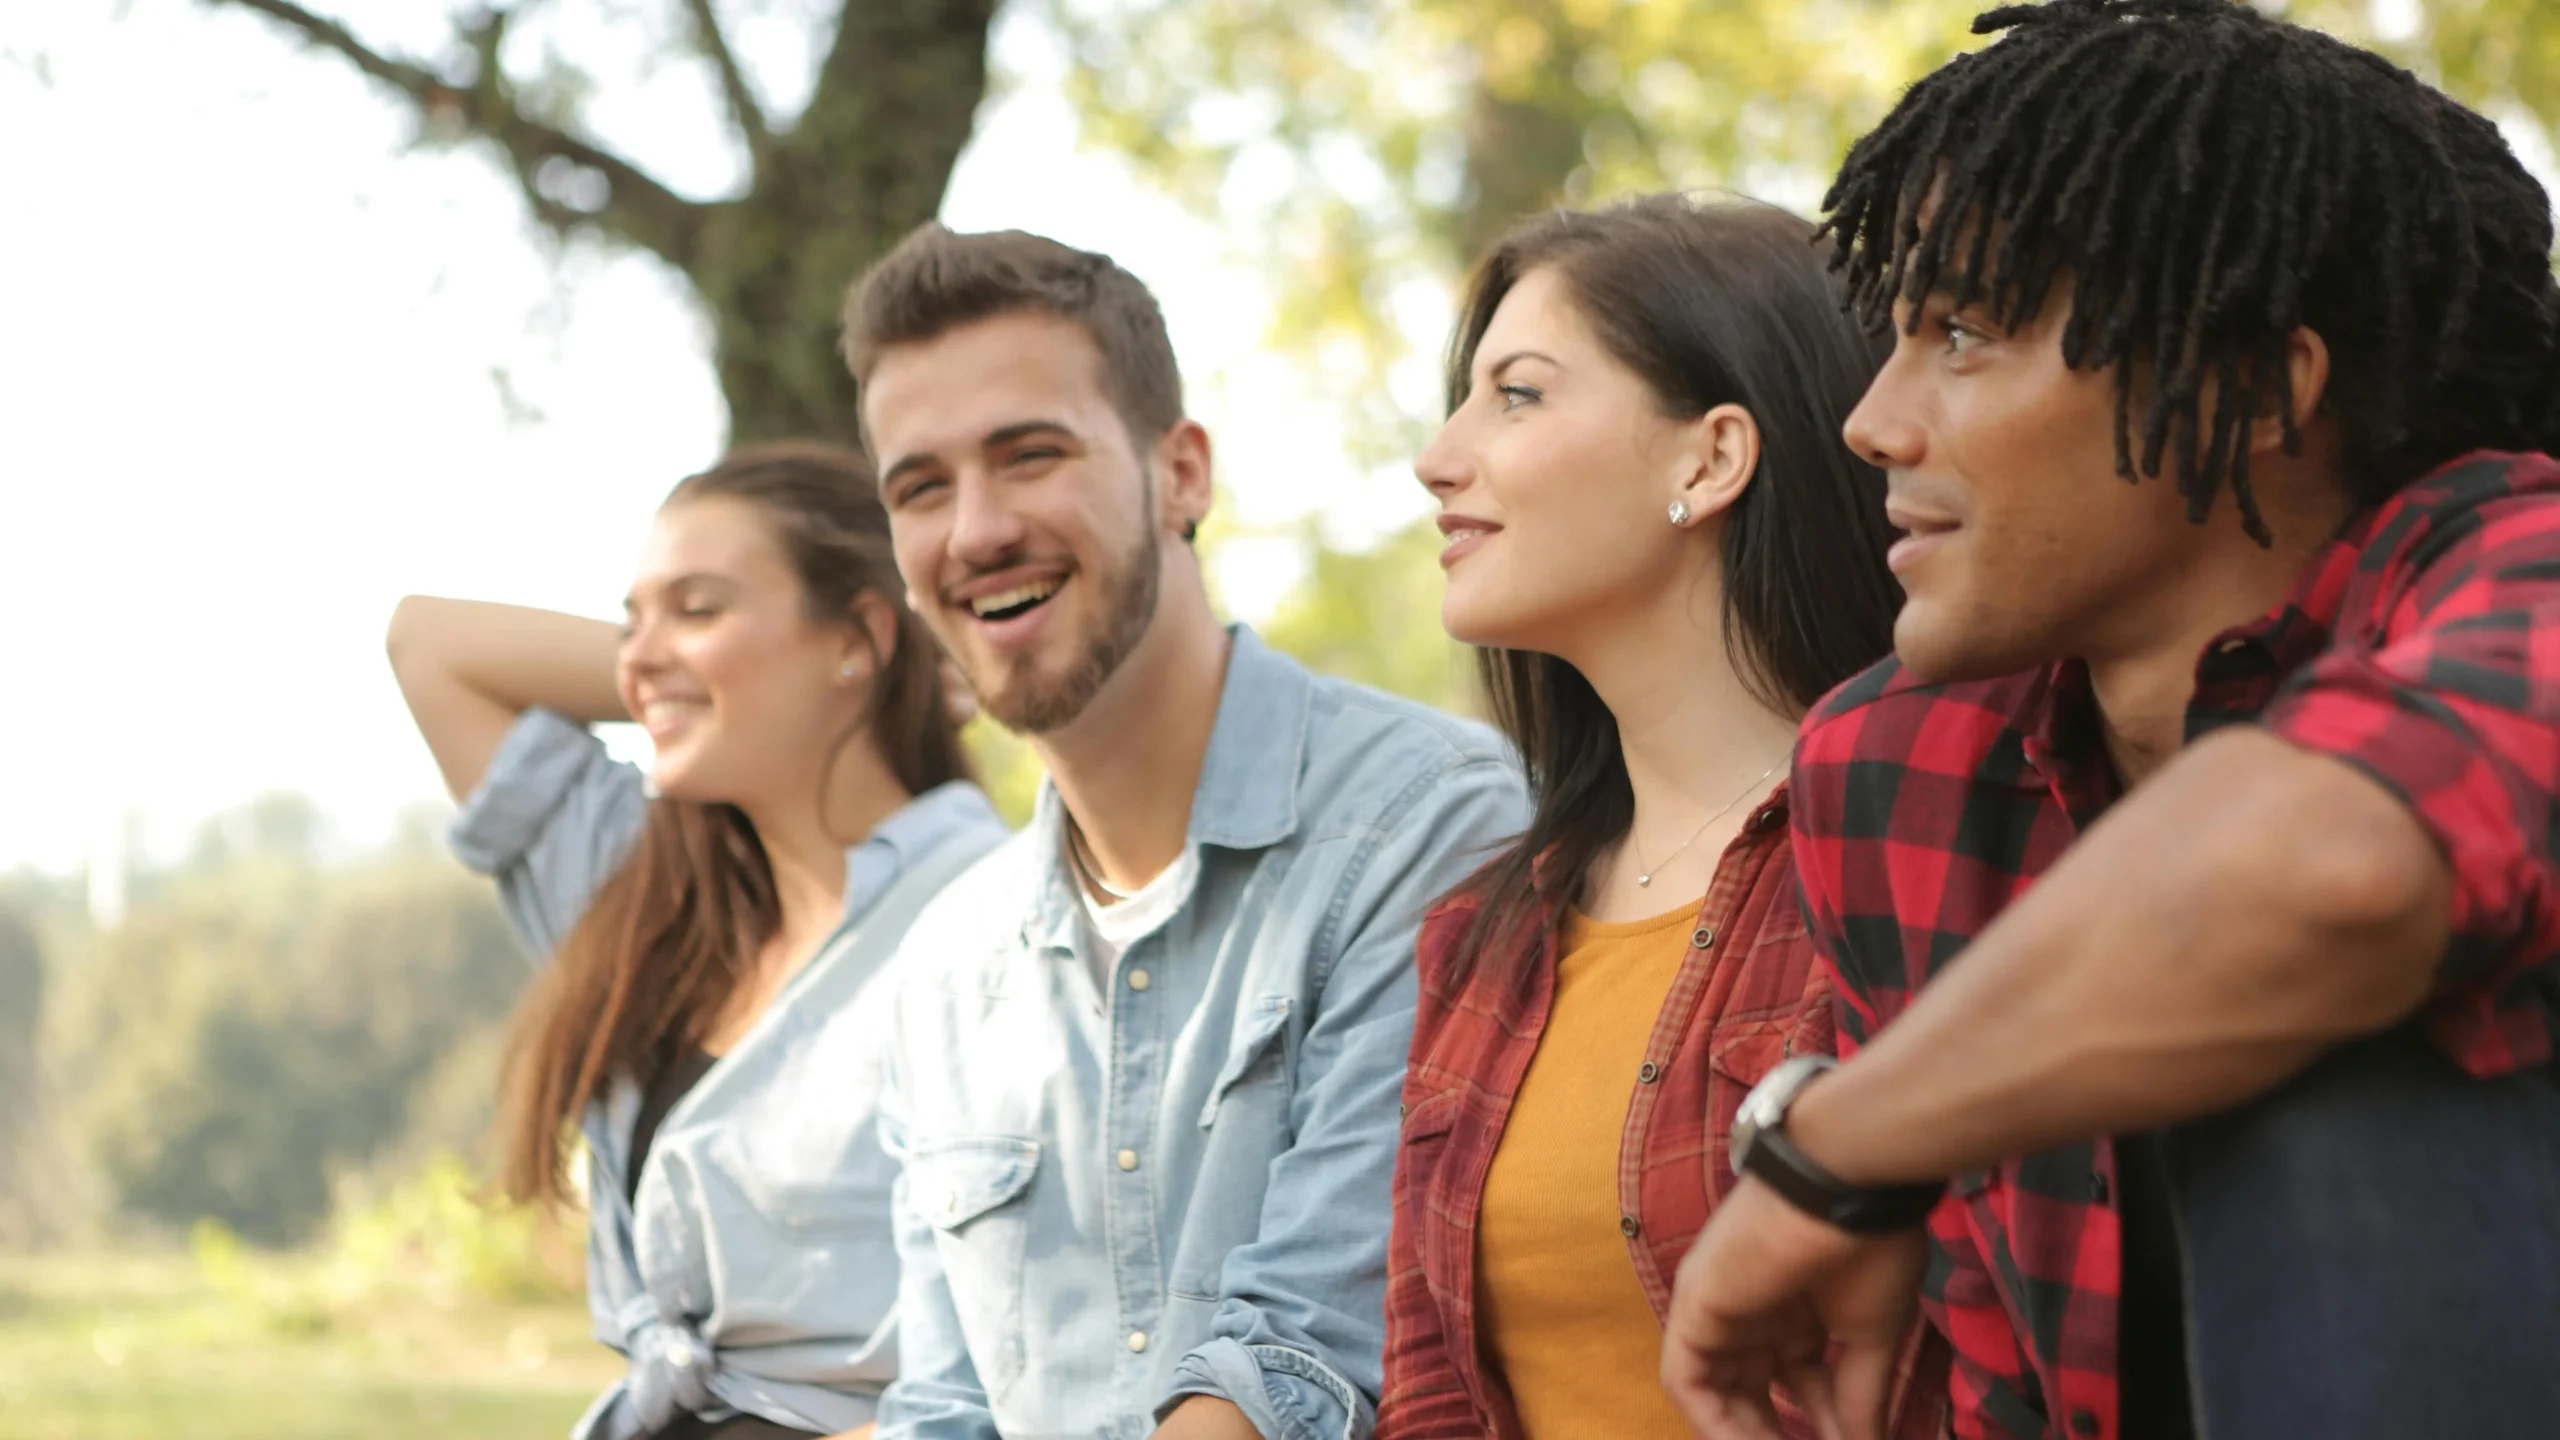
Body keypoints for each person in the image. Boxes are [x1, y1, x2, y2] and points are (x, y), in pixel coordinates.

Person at [1657, 4, 2560, 1440]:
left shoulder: (2524, 568)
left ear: (2256, 385)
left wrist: (1835, 1147)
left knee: (2319, 1024)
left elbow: (2331, 875)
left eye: (1964, 332)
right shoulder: (1893, 765)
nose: (1872, 421)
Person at [839, 224, 1528, 1440]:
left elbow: (1306, 1357)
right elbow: (942, 1411)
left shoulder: (1429, 823)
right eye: (921, 487)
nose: (977, 530)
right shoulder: (944, 972)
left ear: (1182, 474)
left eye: (1029, 454)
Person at [1379, 195, 1946, 1440]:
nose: (1439, 455)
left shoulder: (1924, 857)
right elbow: (1428, 1396)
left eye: (1516, 395)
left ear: (1710, 457)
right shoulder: (1482, 935)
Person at [386, 442, 1008, 1440]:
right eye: (635, 619)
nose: (639, 654)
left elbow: (1034, 1364)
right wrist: (685, 675)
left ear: (858, 635)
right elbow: (430, 646)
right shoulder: (648, 901)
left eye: (700, 606)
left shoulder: (996, 918)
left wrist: (841, 677)